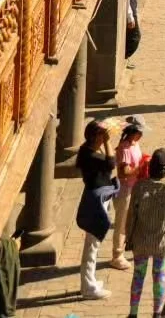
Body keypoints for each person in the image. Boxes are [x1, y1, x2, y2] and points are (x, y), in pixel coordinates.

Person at [125, 147, 165, 318]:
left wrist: (128, 238)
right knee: (159, 277)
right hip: (162, 243)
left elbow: (131, 216)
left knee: (138, 276)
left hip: (141, 242)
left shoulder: (140, 186)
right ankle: (157, 313)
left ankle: (133, 313)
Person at [74, 120, 117, 302]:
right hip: (95, 200)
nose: (105, 138)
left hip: (97, 195)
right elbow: (111, 164)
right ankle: (88, 286)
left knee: (94, 244)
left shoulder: (87, 150)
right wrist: (107, 143)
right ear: (95, 137)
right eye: (102, 135)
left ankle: (89, 281)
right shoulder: (91, 155)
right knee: (92, 244)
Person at [108, 115, 148, 270]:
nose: (141, 135)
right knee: (122, 223)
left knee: (132, 221)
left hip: (134, 188)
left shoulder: (134, 145)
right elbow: (123, 172)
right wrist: (140, 168)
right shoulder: (124, 148)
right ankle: (117, 255)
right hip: (125, 190)